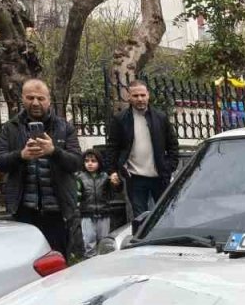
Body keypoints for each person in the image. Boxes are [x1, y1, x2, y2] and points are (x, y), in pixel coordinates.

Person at [0, 78, 83, 258]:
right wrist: (21, 155)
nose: (35, 102)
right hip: (24, 209)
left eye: (40, 98)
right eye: (30, 97)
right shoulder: (10, 128)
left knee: (57, 261)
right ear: (23, 99)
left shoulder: (64, 128)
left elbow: (76, 163)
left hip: (57, 210)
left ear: (49, 100)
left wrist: (53, 151)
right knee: (26, 262)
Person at [106, 79, 180, 218]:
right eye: (135, 96)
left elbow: (173, 145)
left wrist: (170, 166)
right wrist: (112, 171)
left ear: (148, 95)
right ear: (129, 97)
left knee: (164, 216)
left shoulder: (160, 118)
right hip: (135, 178)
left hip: (160, 177)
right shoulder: (120, 119)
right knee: (141, 219)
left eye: (142, 95)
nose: (140, 99)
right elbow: (112, 147)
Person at [76, 150, 120, 257]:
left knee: (103, 240)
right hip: (87, 214)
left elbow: (116, 190)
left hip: (104, 213)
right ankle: (90, 261)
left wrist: (116, 183)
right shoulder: (80, 177)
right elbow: (76, 195)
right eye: (86, 161)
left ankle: (104, 262)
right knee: (89, 239)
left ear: (99, 162)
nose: (90, 163)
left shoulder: (105, 177)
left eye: (93, 161)